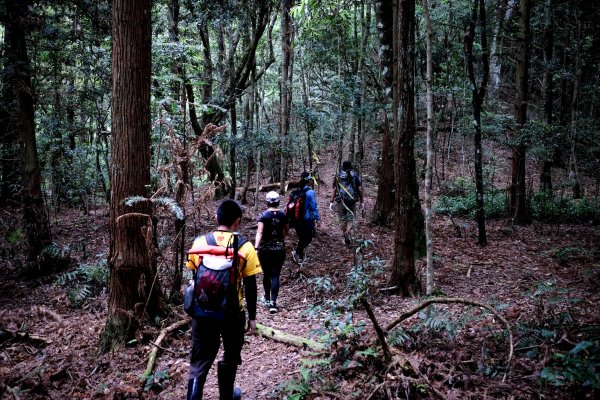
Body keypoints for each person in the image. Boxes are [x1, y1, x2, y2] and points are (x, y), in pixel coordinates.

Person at [186, 199, 261, 400]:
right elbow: (250, 285)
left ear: (216, 218)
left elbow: (194, 273)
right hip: (232, 314)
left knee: (199, 362)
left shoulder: (199, 243)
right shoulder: (245, 247)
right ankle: (227, 396)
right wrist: (252, 317)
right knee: (230, 356)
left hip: (202, 312)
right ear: (237, 222)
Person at [255, 191, 289, 314]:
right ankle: (273, 303)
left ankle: (267, 299)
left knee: (267, 274)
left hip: (265, 250)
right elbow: (286, 231)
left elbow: (259, 232)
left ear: (267, 201)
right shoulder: (283, 215)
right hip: (279, 249)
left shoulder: (263, 216)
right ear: (278, 201)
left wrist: (256, 247)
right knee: (276, 275)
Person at [330, 160, 363, 246]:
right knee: (351, 218)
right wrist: (362, 202)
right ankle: (348, 232)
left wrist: (331, 201)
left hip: (341, 200)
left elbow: (334, 188)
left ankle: (345, 235)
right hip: (352, 201)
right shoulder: (355, 175)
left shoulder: (338, 176)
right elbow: (359, 189)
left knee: (342, 219)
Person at [291, 171, 320, 264]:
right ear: (309, 181)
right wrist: (317, 218)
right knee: (308, 238)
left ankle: (300, 255)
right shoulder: (310, 192)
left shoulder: (296, 191)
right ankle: (297, 253)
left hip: (295, 219)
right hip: (306, 219)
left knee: (302, 237)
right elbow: (313, 206)